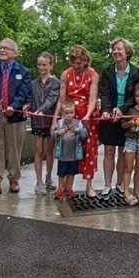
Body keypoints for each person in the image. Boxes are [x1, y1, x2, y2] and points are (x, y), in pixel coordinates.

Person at [0, 38, 32, 194]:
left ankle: (14, 180)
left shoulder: (24, 72)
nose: (2, 50)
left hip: (15, 117)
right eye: (0, 47)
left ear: (15, 53)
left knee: (14, 150)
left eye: (6, 48)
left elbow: (24, 92)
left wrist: (13, 106)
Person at [51, 45, 100, 197]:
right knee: (67, 148)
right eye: (74, 63)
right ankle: (64, 185)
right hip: (68, 114)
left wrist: (88, 115)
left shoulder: (93, 75)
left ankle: (89, 185)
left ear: (85, 60)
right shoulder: (66, 74)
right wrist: (55, 120)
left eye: (79, 63)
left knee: (89, 150)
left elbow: (92, 97)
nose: (76, 66)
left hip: (86, 116)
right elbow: (61, 99)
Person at [98, 38, 139, 199]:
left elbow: (135, 96)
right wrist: (106, 110)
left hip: (126, 116)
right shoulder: (107, 71)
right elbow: (104, 93)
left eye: (119, 49)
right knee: (109, 151)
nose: (116, 52)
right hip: (110, 117)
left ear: (127, 52)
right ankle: (107, 185)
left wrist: (122, 109)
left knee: (123, 152)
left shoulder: (137, 73)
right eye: (114, 49)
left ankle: (120, 184)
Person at [27, 52, 60, 195]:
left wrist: (41, 109)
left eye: (44, 65)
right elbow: (29, 99)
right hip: (37, 122)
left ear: (51, 65)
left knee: (50, 151)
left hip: (50, 121)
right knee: (39, 151)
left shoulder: (56, 83)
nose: (41, 67)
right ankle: (38, 181)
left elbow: (52, 100)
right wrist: (26, 106)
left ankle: (48, 177)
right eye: (39, 64)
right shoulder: (33, 83)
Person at [52, 99, 88, 200]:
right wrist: (58, 133)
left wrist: (79, 132)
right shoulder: (59, 123)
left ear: (74, 112)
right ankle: (60, 188)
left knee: (71, 172)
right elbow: (53, 135)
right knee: (61, 173)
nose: (69, 115)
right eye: (66, 113)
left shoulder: (78, 123)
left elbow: (85, 136)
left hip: (74, 154)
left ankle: (69, 188)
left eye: (71, 112)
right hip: (62, 155)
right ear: (62, 113)